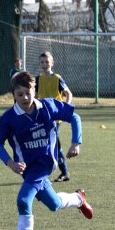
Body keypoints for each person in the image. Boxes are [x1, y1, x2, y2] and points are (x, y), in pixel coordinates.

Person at [0, 71, 93, 230]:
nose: (25, 98)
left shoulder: (47, 106)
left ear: (34, 90)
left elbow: (75, 117)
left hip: (44, 164)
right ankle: (78, 198)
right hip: (27, 169)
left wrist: (76, 142)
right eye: (19, 94)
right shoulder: (8, 118)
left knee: (23, 200)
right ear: (13, 94)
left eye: (28, 92)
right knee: (54, 204)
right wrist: (9, 163)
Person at [36, 51, 74, 182]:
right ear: (39, 64)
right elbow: (35, 96)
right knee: (53, 143)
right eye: (42, 62)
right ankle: (62, 172)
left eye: (47, 62)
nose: (45, 64)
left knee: (52, 143)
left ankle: (62, 172)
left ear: (52, 63)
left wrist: (65, 109)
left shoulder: (57, 78)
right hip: (42, 115)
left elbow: (68, 94)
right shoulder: (38, 79)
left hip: (55, 117)